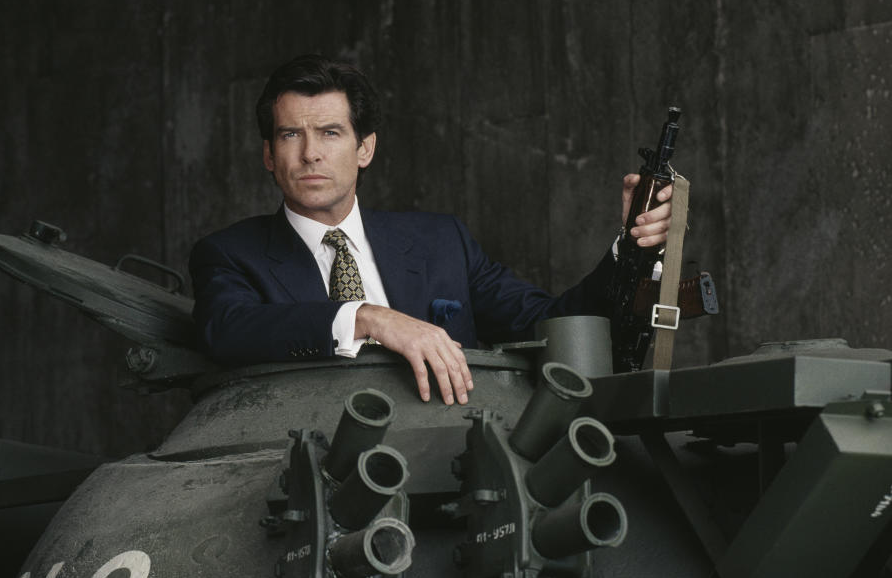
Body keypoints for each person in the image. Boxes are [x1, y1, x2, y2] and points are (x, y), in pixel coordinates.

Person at [189, 54, 673, 407]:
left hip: (454, 472)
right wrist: (369, 317)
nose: (310, 153)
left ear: (365, 149)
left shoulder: (443, 242)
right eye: (291, 134)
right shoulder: (229, 254)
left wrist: (629, 246)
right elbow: (226, 331)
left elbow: (551, 322)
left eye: (331, 133)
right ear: (269, 155)